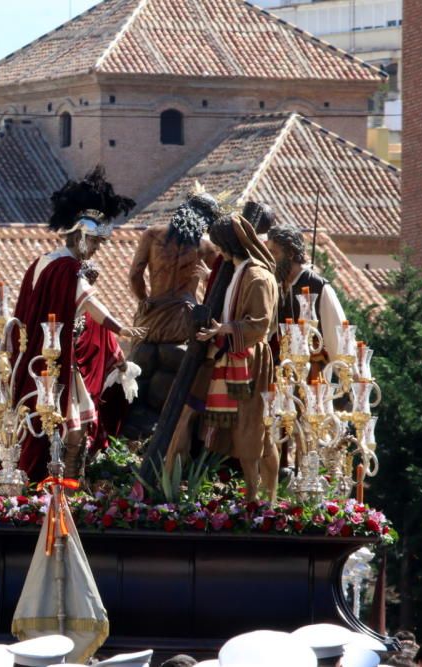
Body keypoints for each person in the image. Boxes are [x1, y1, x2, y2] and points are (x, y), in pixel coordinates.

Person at [11, 168, 142, 482]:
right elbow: (89, 304)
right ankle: (68, 486)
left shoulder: (43, 261)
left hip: (42, 361)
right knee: (76, 426)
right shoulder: (67, 267)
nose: (97, 249)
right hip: (58, 364)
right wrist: (118, 327)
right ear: (81, 237)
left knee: (67, 424)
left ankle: (66, 484)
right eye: (95, 242)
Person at [169, 214, 279, 502]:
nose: (216, 250)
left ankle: (262, 498)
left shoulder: (257, 276)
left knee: (253, 429)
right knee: (213, 420)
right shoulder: (238, 271)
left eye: (218, 244)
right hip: (227, 356)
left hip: (249, 361)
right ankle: (250, 495)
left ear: (227, 244)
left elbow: (260, 324)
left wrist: (225, 329)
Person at [129, 185, 221, 344]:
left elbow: (134, 276)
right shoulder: (205, 247)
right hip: (184, 322)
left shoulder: (151, 234)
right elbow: (218, 284)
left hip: (151, 319)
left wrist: (144, 301)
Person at [265, 224, 347, 375]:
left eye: (274, 253)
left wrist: (349, 378)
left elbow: (337, 338)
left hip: (314, 379)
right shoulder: (278, 285)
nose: (269, 260)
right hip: (284, 376)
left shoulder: (318, 287)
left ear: (290, 253)